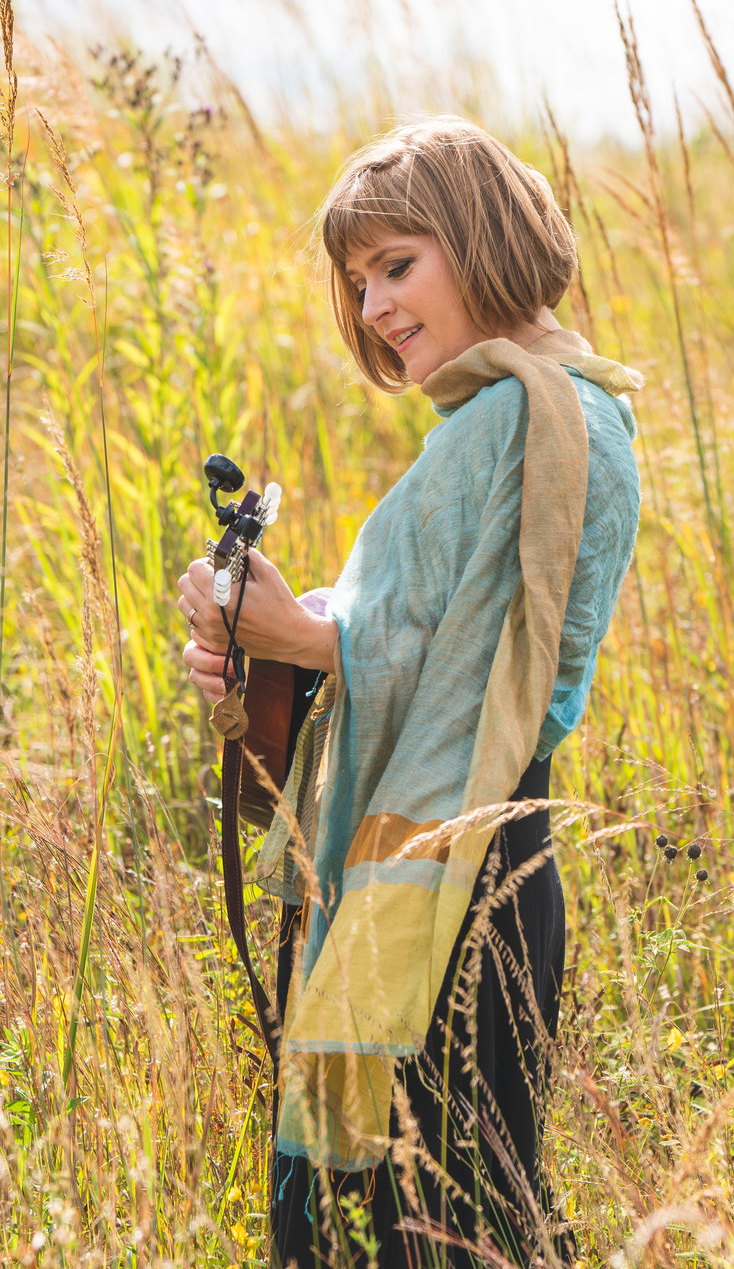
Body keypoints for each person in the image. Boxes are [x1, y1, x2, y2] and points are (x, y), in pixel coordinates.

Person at [174, 117, 643, 1268]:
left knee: (442, 1206)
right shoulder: (503, 415)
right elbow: (422, 623)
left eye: (398, 264)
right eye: (358, 281)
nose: (376, 306)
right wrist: (280, 641)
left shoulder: (540, 416)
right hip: (451, 849)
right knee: (428, 1201)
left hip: (467, 863)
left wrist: (299, 633)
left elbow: (490, 670)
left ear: (481, 238)